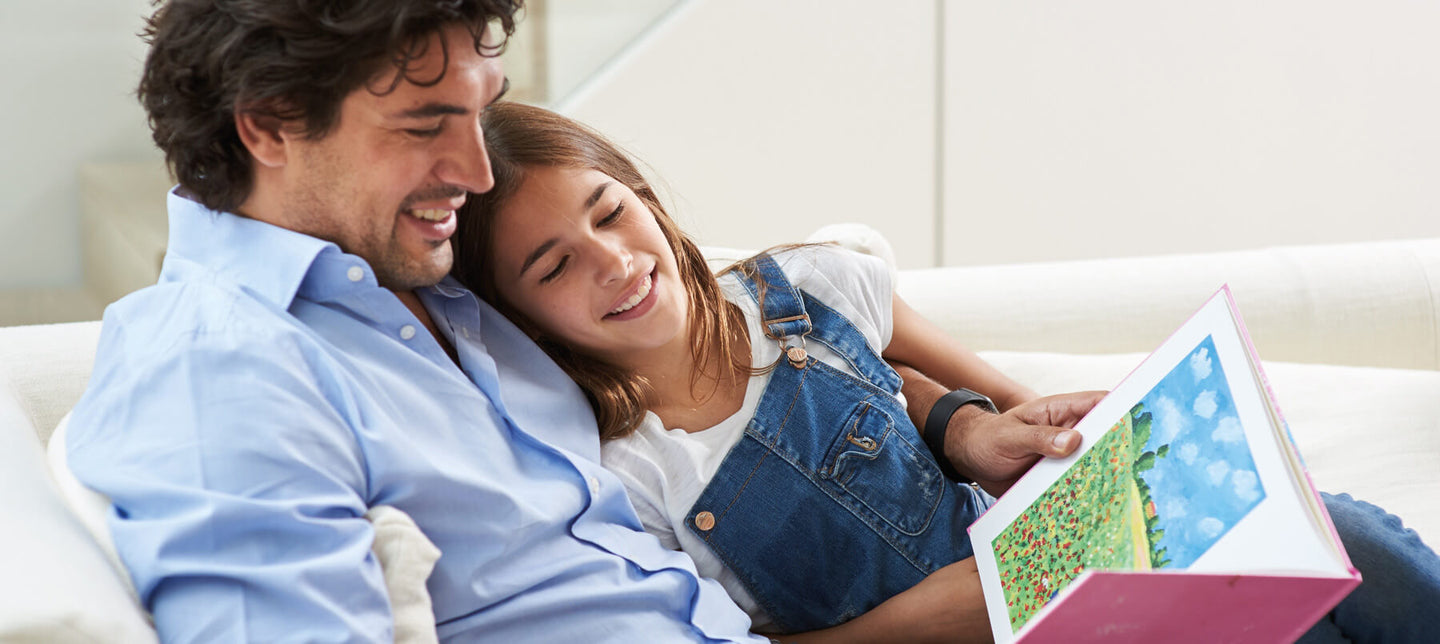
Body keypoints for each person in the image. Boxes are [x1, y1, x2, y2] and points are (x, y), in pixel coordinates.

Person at [63, 1, 1087, 642]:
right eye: (426, 127)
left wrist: (954, 421)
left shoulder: (435, 287)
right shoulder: (224, 372)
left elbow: (774, 363)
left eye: (481, 110)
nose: (473, 171)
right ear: (269, 128)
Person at [451, 102, 1440, 642]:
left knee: (1331, 531)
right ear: (524, 318)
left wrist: (978, 427)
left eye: (607, 213)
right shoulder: (629, 472)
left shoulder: (810, 286)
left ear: (645, 199)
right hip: (955, 629)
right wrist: (963, 607)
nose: (611, 261)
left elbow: (994, 405)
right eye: (554, 266)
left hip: (1053, 564)